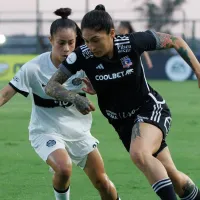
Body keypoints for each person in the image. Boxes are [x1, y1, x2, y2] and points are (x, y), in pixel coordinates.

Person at [45, 4, 200, 200]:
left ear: (111, 33)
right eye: (86, 40)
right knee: (172, 176)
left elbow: (175, 41)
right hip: (122, 124)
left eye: (96, 40)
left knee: (139, 153)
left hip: (149, 108)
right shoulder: (81, 55)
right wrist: (74, 98)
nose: (91, 47)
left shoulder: (131, 43)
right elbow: (51, 86)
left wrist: (197, 69)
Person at [0, 8, 121, 200]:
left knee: (102, 182)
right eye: (61, 43)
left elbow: (108, 88)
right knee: (64, 168)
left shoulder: (84, 64)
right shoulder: (33, 68)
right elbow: (4, 95)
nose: (66, 48)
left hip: (78, 132)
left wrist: (96, 88)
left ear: (77, 41)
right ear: (50, 41)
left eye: (71, 43)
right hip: (45, 130)